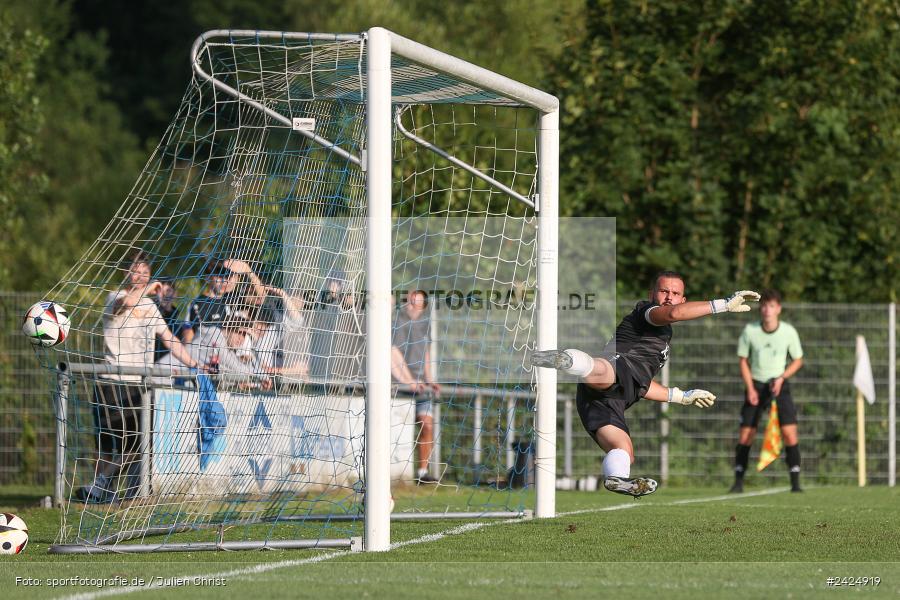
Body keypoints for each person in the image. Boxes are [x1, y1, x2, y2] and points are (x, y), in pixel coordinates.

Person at [531, 272, 759, 498]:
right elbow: (674, 313)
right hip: (615, 372)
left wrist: (681, 396)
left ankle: (617, 479)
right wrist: (724, 304)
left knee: (623, 450)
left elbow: (642, 385)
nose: (669, 297)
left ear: (683, 298)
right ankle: (567, 359)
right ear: (652, 294)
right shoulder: (647, 313)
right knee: (604, 371)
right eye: (664, 291)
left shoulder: (664, 334)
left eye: (675, 293)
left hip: (614, 398)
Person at [77, 251, 201, 503]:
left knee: (138, 442)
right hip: (111, 382)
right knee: (108, 444)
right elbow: (126, 305)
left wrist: (194, 364)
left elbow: (170, 340)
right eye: (137, 271)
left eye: (146, 272)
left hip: (139, 385)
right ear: (126, 273)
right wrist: (147, 290)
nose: (142, 276)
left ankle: (103, 488)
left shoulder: (150, 307)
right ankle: (101, 491)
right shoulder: (116, 296)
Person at [729, 289, 804, 493]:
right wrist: (750, 388)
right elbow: (743, 360)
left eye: (771, 306)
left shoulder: (788, 332)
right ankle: (738, 482)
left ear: (778, 309)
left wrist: (782, 378)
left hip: (779, 386)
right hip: (756, 386)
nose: (767, 310)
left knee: (789, 434)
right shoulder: (750, 331)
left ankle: (795, 483)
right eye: (763, 306)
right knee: (746, 435)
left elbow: (798, 360)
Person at [390, 289, 441, 484]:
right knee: (400, 428)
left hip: (420, 386)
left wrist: (430, 380)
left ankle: (422, 472)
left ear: (423, 307)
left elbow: (426, 354)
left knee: (427, 424)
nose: (412, 306)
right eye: (410, 302)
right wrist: (409, 381)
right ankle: (399, 472)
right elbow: (394, 354)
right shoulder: (396, 322)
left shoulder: (424, 325)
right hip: (401, 385)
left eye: (416, 303)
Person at [184, 258, 266, 343]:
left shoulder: (232, 297)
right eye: (220, 276)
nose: (225, 280)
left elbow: (261, 297)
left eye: (228, 276)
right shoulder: (199, 304)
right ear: (208, 278)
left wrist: (248, 270)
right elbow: (196, 338)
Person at [153, 279, 188, 361]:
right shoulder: (151, 313)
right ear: (156, 293)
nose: (165, 294)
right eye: (161, 291)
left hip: (174, 364)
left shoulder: (180, 319)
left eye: (168, 291)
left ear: (175, 294)